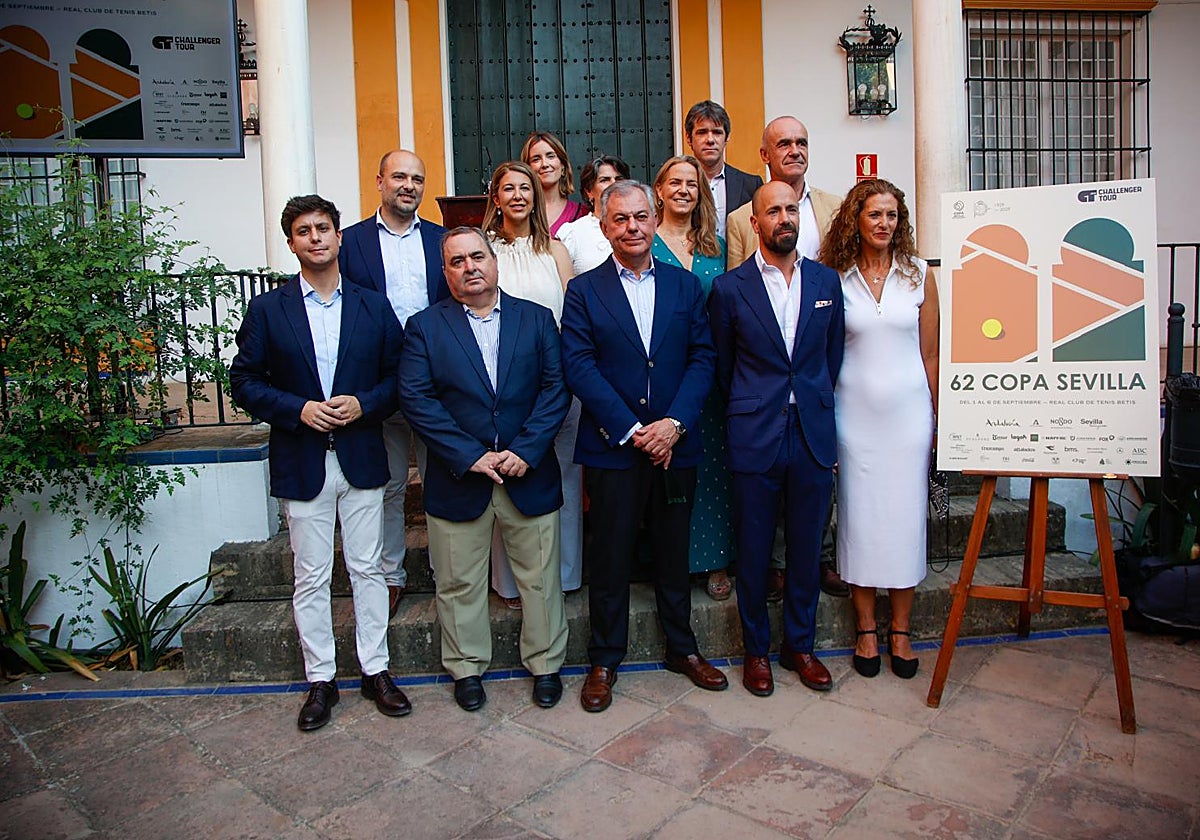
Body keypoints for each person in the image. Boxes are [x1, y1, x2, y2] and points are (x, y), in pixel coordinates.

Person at [230, 194, 411, 730]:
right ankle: (321, 680)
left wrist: (364, 405)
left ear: (338, 237)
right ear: (292, 243)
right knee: (310, 574)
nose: (315, 238)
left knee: (369, 568)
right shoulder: (269, 310)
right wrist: (298, 409)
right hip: (302, 457)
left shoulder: (373, 306)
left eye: (323, 228)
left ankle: (376, 670)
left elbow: (399, 378)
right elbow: (244, 381)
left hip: (360, 455)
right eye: (304, 231)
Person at [561, 179, 728, 713]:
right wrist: (634, 431)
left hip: (676, 445)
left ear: (655, 220)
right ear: (604, 227)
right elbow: (579, 366)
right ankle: (604, 659)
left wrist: (674, 424)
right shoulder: (583, 291)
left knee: (673, 552)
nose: (632, 227)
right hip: (614, 448)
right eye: (620, 219)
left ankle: (683, 648)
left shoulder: (685, 286)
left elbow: (703, 357)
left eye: (640, 217)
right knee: (610, 557)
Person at [399, 227, 571, 711]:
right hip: (459, 476)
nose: (470, 267)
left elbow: (556, 388)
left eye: (477, 256)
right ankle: (467, 668)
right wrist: (468, 455)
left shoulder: (537, 319)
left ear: (494, 261)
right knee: (458, 582)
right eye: (457, 261)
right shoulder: (424, 327)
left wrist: (527, 449)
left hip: (527, 471)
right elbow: (416, 398)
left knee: (540, 579)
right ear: (445, 272)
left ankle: (545, 664)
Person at [708, 182, 845, 697]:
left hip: (812, 432)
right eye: (773, 211)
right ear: (755, 221)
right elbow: (724, 367)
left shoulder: (827, 282)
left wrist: (812, 402)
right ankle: (756, 652)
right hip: (755, 432)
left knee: (807, 548)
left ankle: (800, 647)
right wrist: (752, 407)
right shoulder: (730, 289)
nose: (784, 218)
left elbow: (831, 358)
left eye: (791, 209)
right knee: (754, 550)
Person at [817, 179, 939, 680]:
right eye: (875, 214)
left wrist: (938, 417)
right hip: (853, 418)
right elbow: (823, 355)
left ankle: (901, 630)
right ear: (856, 219)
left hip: (909, 417)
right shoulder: (834, 277)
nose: (884, 223)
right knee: (860, 521)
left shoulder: (920, 274)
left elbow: (931, 353)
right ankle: (866, 627)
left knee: (905, 521)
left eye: (892, 215)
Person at [726, 117, 850, 601]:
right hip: (759, 402)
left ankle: (818, 564)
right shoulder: (741, 219)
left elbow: (832, 348)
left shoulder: (833, 209)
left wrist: (816, 386)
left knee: (811, 513)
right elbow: (732, 335)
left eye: (802, 141)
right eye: (784, 143)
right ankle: (774, 574)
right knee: (760, 528)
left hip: (812, 394)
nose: (795, 150)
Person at [339, 149, 448, 618]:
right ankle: (388, 575)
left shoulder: (442, 240)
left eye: (417, 179)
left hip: (437, 382)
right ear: (379, 180)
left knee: (443, 479)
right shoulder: (351, 242)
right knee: (387, 484)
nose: (408, 186)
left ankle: (449, 572)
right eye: (399, 176)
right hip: (377, 382)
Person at [481, 161, 581, 604]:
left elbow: (572, 318)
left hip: (555, 382)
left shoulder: (556, 250)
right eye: (509, 188)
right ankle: (510, 582)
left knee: (565, 474)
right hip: (502, 385)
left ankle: (564, 576)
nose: (518, 195)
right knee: (507, 479)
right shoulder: (484, 249)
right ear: (496, 197)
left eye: (525, 188)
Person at [650, 155, 734, 602]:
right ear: (659, 190)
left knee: (713, 469)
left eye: (692, 184)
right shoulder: (644, 241)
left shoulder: (717, 247)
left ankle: (716, 559)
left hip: (711, 374)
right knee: (667, 472)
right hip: (661, 374)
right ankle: (672, 563)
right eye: (675, 182)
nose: (683, 190)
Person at [684, 100, 762, 239]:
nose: (710, 140)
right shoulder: (679, 187)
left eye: (717, 132)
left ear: (727, 137)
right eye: (702, 132)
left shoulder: (751, 185)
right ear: (689, 138)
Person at [557, 154, 631, 274]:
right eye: (604, 180)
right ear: (589, 191)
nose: (614, 184)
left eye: (619, 179)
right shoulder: (574, 233)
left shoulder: (639, 227)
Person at [521, 131, 588, 236]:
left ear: (563, 166)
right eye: (536, 159)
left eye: (551, 156)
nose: (544, 164)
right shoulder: (520, 212)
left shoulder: (583, 214)